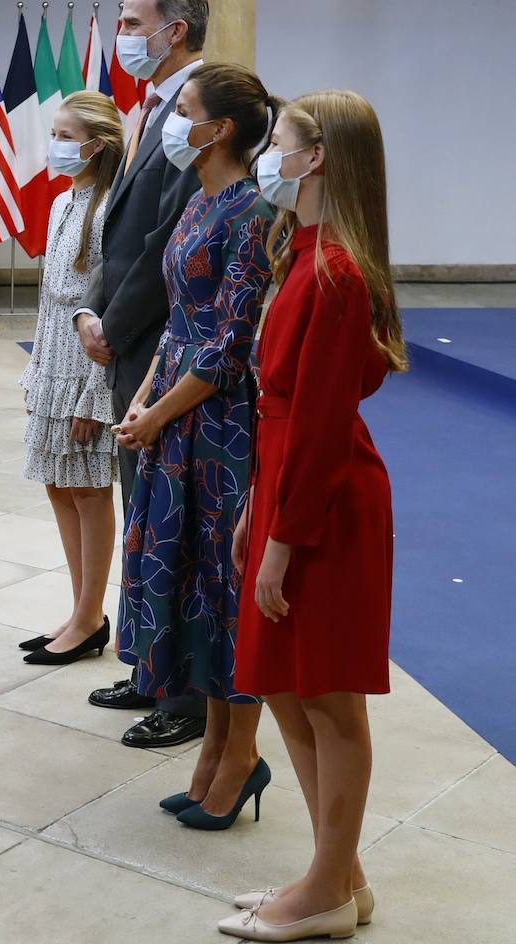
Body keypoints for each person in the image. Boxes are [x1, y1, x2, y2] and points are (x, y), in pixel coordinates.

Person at [220, 91, 404, 942]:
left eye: (280, 141)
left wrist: (283, 541)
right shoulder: (304, 251)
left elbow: (324, 423)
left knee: (328, 698)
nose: (269, 155)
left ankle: (326, 890)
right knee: (286, 685)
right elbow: (284, 408)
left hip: (325, 503)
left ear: (317, 156)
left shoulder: (334, 273)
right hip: (287, 481)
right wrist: (259, 506)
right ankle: (341, 875)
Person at [112, 63, 278, 830]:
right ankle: (213, 748)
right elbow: (180, 319)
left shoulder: (250, 212)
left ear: (220, 131)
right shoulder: (199, 200)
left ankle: (239, 753)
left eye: (185, 111)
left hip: (217, 425)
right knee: (186, 584)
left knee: (221, 587)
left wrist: (158, 414)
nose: (174, 122)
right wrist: (144, 394)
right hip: (173, 407)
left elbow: (228, 348)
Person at [75, 0, 210, 748]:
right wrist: (94, 306)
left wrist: (116, 324)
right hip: (128, 337)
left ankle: (188, 694)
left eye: (130, 20)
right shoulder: (155, 106)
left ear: (175, 30)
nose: (122, 32)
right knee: (140, 515)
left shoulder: (196, 112)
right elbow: (121, 229)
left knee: (170, 524)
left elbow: (167, 241)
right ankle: (151, 665)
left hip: (159, 345)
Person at [17, 91, 124, 666]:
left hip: (88, 368)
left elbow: (101, 305)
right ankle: (80, 607)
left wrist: (93, 393)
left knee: (88, 488)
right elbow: (48, 300)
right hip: (53, 359)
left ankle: (90, 617)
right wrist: (35, 371)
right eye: (54, 134)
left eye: (64, 136)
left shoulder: (111, 207)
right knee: (58, 485)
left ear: (97, 144)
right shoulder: (62, 203)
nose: (54, 146)